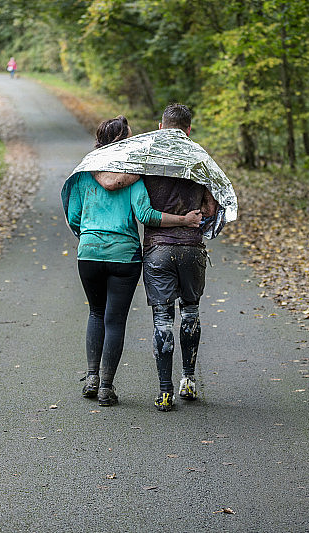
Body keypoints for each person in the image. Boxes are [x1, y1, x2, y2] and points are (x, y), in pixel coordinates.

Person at [65, 115, 202, 407]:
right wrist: (183, 220)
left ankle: (92, 378)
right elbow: (145, 215)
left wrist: (90, 236)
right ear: (123, 142)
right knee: (115, 320)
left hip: (88, 253)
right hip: (124, 256)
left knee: (95, 313)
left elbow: (73, 216)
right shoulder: (132, 175)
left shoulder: (83, 173)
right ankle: (106, 387)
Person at [91, 104, 219, 412]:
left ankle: (165, 392)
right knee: (190, 313)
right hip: (191, 248)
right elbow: (211, 209)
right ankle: (189, 380)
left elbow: (118, 185)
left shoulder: (148, 159)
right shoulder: (200, 159)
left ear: (160, 128)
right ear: (189, 130)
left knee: (162, 320)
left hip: (157, 250)